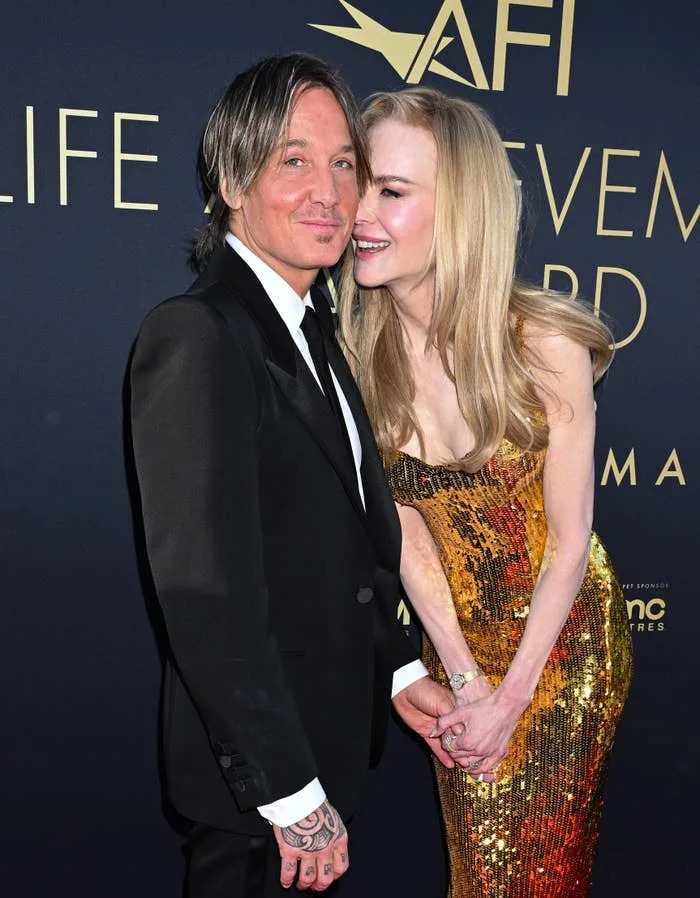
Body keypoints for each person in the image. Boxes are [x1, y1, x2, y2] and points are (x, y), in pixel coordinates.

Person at [127, 56, 455, 898]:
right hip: (263, 796)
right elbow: (205, 593)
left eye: (345, 163)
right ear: (234, 179)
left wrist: (397, 666)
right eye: (294, 160)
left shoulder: (315, 329)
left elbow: (337, 535)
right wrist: (287, 791)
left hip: (325, 751)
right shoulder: (199, 335)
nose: (331, 192)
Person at [338, 87, 633, 897]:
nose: (358, 211)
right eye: (358, 182)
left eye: (391, 191)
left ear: (461, 210)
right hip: (460, 646)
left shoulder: (545, 347)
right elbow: (405, 533)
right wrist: (468, 680)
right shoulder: (355, 364)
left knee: (542, 876)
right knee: (479, 872)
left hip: (564, 644)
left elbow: (571, 541)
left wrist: (513, 697)